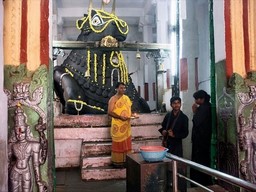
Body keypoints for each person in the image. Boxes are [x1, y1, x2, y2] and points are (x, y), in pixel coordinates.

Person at [159, 96, 189, 192]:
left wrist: (174, 135)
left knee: (177, 165)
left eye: (178, 103)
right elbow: (163, 126)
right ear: (171, 105)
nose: (176, 105)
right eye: (174, 103)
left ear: (180, 104)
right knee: (167, 164)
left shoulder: (184, 118)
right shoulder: (168, 116)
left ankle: (178, 186)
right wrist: (163, 131)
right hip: (167, 144)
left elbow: (185, 133)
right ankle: (168, 184)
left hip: (177, 145)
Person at [108, 82, 133, 168]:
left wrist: (132, 116)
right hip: (117, 125)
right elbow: (109, 112)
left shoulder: (126, 98)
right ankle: (117, 162)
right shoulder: (113, 99)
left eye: (124, 88)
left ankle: (127, 162)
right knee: (118, 143)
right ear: (116, 89)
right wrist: (120, 117)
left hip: (126, 124)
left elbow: (128, 109)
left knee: (126, 143)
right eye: (121, 88)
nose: (123, 90)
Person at [190, 90, 212, 186]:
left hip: (201, 140)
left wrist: (194, 112)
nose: (195, 101)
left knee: (200, 161)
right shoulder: (206, 106)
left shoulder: (204, 108)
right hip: (202, 139)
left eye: (196, 99)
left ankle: (199, 181)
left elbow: (197, 122)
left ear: (201, 99)